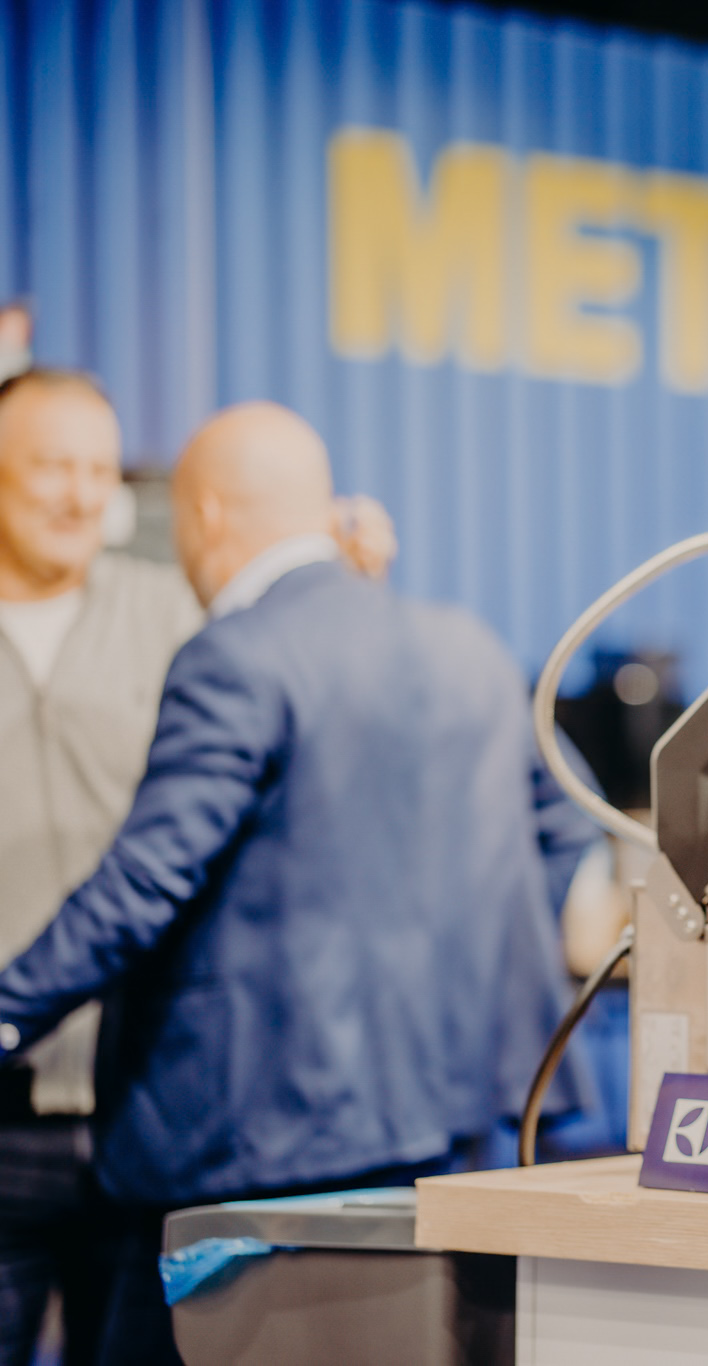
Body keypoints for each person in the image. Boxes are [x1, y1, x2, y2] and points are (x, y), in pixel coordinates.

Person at [0, 401, 595, 1363]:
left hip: (248, 1139)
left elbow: (149, 879)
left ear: (203, 516)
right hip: (444, 1121)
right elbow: (567, 832)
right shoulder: (470, 648)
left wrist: (5, 1010)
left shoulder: (234, 654)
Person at [0, 372, 398, 1366]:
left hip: (143, 1103)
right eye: (51, 465)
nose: (80, 494)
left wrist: (348, 591)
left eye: (100, 469)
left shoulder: (185, 615)